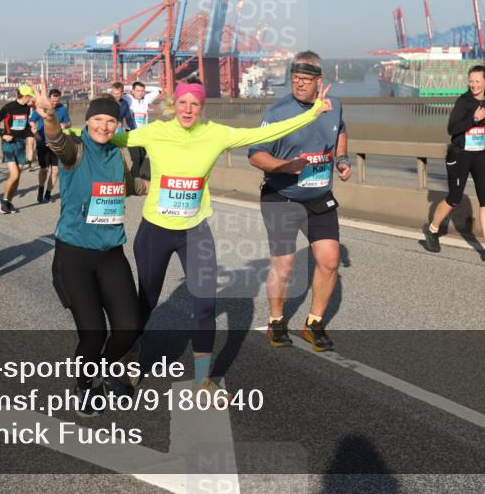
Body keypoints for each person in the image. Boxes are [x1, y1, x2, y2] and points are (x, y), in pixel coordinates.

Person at [114, 76, 333, 393]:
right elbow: (105, 135)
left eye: (195, 103)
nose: (189, 109)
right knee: (145, 301)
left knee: (204, 304)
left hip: (194, 231)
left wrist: (310, 115)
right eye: (184, 102)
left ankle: (203, 379)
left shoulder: (215, 134)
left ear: (202, 107)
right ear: (175, 104)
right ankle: (131, 352)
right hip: (156, 231)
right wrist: (57, 130)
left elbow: (263, 133)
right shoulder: (155, 132)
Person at [33, 83, 147, 413]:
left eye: (110, 121)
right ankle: (85, 383)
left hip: (111, 254)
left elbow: (130, 186)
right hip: (75, 256)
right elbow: (56, 140)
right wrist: (50, 117)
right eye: (97, 119)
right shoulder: (76, 150)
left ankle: (110, 369)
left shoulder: (117, 154)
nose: (104, 126)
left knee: (128, 327)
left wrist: (167, 187)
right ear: (87, 122)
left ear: (118, 125)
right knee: (93, 334)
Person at [248, 53, 351, 352]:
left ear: (320, 81)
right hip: (282, 196)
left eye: (306, 81)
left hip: (319, 196)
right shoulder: (278, 111)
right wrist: (283, 166)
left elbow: (341, 130)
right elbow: (255, 154)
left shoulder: (335, 106)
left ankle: (314, 324)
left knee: (330, 260)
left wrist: (341, 159)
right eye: (295, 80)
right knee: (285, 263)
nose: (300, 85)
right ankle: (276, 321)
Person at [421, 64, 485, 262]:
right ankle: (432, 230)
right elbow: (452, 128)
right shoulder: (463, 101)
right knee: (454, 197)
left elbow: (478, 127)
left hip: (480, 155)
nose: (474, 85)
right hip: (460, 155)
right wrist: (474, 118)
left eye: (478, 81)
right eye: (471, 81)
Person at [0, 85, 36, 214]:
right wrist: (2, 135)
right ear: (25, 96)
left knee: (18, 176)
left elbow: (26, 126)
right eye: (30, 96)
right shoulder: (8, 107)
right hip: (8, 144)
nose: (31, 99)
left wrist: (32, 132)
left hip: (20, 143)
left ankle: (9, 202)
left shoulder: (27, 109)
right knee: (14, 174)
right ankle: (3, 200)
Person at [29, 89, 71, 203]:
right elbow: (31, 121)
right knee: (44, 169)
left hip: (57, 143)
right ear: (49, 98)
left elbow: (69, 122)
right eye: (52, 101)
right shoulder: (42, 107)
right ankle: (40, 189)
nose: (54, 103)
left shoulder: (62, 109)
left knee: (56, 170)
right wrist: (36, 133)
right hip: (43, 143)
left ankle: (48, 193)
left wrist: (65, 124)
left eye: (57, 101)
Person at [126, 82, 161, 178]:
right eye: (137, 91)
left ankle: (131, 177)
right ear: (132, 91)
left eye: (142, 91)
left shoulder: (146, 99)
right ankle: (136, 180)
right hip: (131, 133)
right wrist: (129, 86)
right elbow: (117, 91)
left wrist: (146, 87)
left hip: (143, 134)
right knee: (136, 158)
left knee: (141, 156)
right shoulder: (128, 99)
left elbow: (158, 90)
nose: (140, 93)